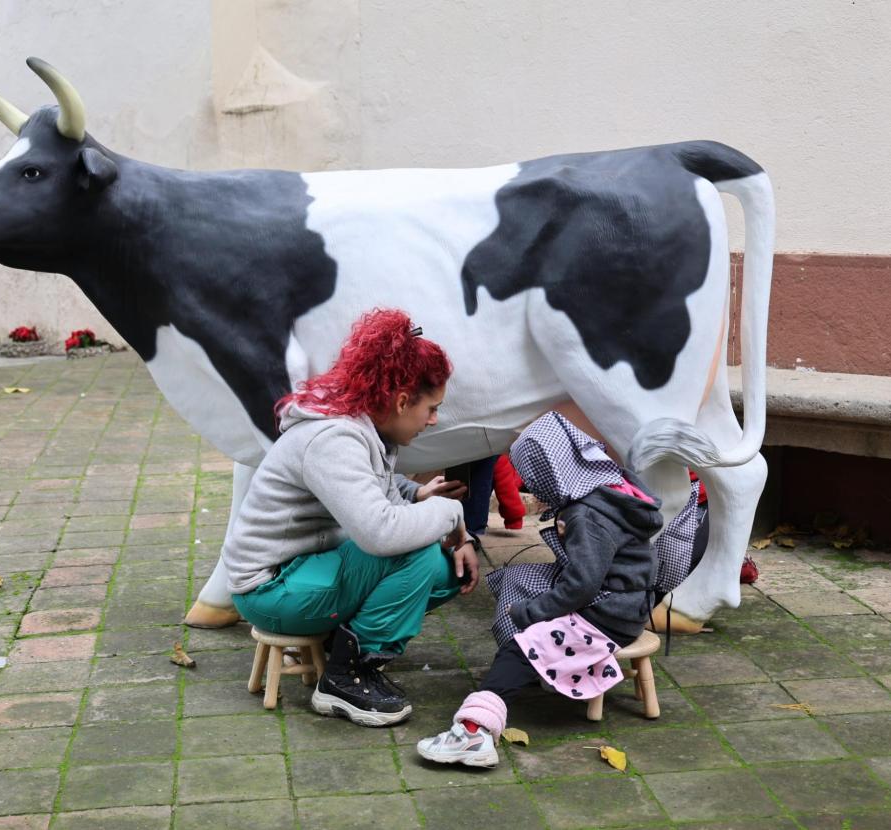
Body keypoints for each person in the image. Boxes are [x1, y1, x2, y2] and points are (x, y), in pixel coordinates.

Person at [222, 308, 480, 727]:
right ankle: (346, 675)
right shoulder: (333, 439)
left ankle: (340, 643)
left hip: (307, 567)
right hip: (270, 589)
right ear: (400, 401)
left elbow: (371, 486)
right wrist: (450, 513)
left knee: (445, 569)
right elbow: (380, 533)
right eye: (431, 408)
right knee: (414, 553)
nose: (433, 419)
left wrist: (417, 494)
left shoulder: (365, 426)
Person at [417, 412, 661, 767]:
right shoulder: (610, 491)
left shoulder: (586, 516)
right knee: (516, 579)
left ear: (553, 475)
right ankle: (529, 667)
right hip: (626, 601)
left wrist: (533, 614)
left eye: (535, 480)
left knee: (523, 645)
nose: (533, 489)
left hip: (606, 614)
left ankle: (474, 731)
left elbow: (582, 584)